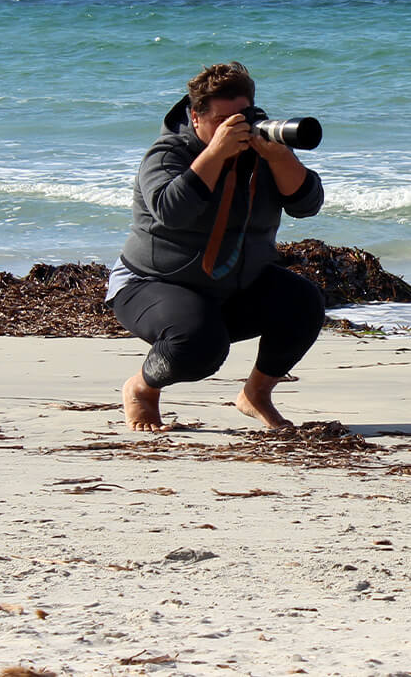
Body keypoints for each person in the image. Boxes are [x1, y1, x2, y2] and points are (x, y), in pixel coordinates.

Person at [107, 61, 325, 432]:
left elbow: (307, 206)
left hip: (232, 286)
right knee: (199, 347)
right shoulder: (167, 155)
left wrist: (279, 156)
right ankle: (142, 388)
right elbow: (171, 213)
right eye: (223, 120)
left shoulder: (261, 154)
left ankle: (256, 395)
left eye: (242, 117)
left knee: (304, 302)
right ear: (195, 117)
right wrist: (215, 154)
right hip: (152, 285)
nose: (234, 128)